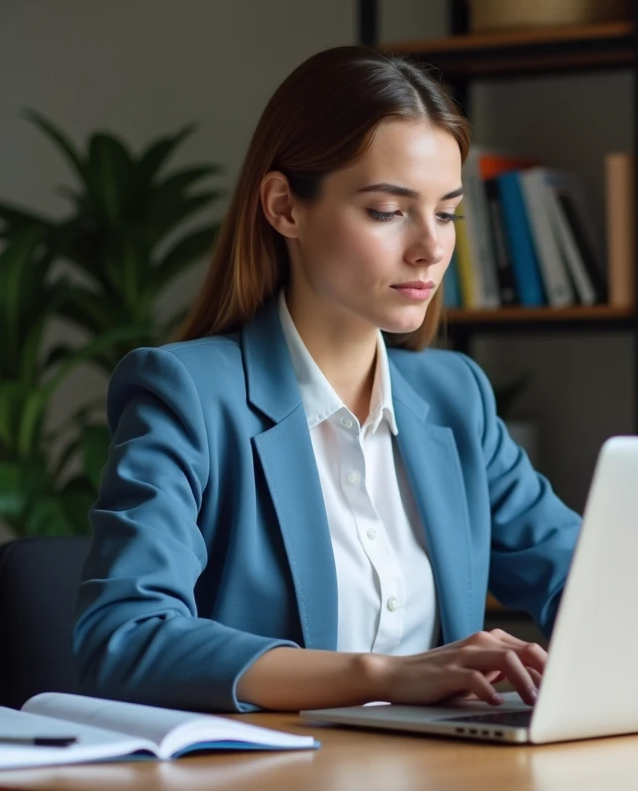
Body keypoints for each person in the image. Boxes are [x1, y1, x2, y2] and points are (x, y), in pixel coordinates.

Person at [71, 44, 582, 714]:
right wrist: (385, 675)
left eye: (448, 212)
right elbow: (124, 637)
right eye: (387, 211)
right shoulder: (188, 395)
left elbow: (580, 577)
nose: (431, 246)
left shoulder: (456, 397)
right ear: (285, 207)